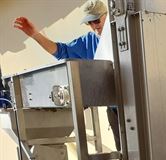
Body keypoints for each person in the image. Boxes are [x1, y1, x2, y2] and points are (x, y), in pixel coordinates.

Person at [13, 0, 121, 152]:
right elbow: (60, 51)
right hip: (114, 108)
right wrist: (34, 34)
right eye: (89, 23)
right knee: (124, 153)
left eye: (96, 20)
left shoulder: (123, 30)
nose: (94, 26)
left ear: (107, 16)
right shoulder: (88, 42)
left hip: (138, 103)